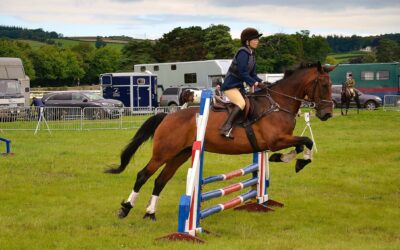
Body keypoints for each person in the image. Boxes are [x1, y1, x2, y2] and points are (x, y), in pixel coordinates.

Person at [219, 27, 267, 139]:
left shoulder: (252, 54)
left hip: (238, 87)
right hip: (230, 86)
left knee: (250, 103)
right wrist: (254, 84)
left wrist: (262, 82)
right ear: (247, 41)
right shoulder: (243, 53)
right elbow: (242, 72)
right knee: (241, 103)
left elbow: (253, 74)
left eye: (257, 39)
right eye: (255, 39)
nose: (257, 41)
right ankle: (225, 128)